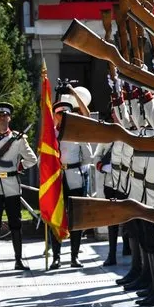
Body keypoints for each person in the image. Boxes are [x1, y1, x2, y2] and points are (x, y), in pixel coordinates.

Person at [0, 102, 38, 271]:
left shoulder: (18, 139)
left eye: (5, 115)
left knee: (15, 223)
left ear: (9, 118)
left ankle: (18, 260)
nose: (2, 118)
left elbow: (32, 159)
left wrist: (17, 168)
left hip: (11, 185)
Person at [50, 100, 93, 269]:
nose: (63, 117)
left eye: (66, 114)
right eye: (60, 114)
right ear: (56, 116)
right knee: (57, 219)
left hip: (75, 177)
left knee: (76, 219)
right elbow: (43, 160)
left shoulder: (77, 133)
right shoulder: (51, 134)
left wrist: (80, 168)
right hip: (57, 179)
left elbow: (88, 156)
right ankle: (56, 257)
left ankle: (74, 256)